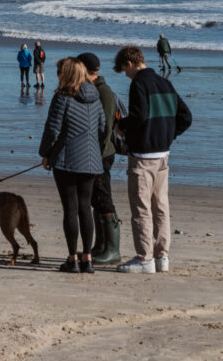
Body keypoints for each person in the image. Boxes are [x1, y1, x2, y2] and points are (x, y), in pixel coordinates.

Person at [114, 43, 192, 274]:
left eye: (124, 71)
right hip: (163, 153)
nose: (126, 76)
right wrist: (168, 135)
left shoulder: (139, 83)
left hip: (143, 154)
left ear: (130, 64)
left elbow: (139, 116)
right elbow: (185, 116)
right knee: (161, 206)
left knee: (141, 208)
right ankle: (162, 256)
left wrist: (121, 125)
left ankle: (145, 258)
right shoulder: (164, 82)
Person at [40, 57, 106, 273]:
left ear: (66, 74)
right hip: (91, 159)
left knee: (71, 207)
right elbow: (102, 127)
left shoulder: (62, 98)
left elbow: (52, 129)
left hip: (67, 159)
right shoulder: (95, 97)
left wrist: (45, 153)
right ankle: (87, 258)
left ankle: (73, 258)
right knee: (85, 207)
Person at [77, 52, 124, 266]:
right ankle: (100, 245)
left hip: (102, 154)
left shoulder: (103, 92)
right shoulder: (92, 89)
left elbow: (104, 130)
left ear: (86, 69)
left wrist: (93, 153)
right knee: (95, 199)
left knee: (103, 198)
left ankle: (113, 250)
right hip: (94, 154)